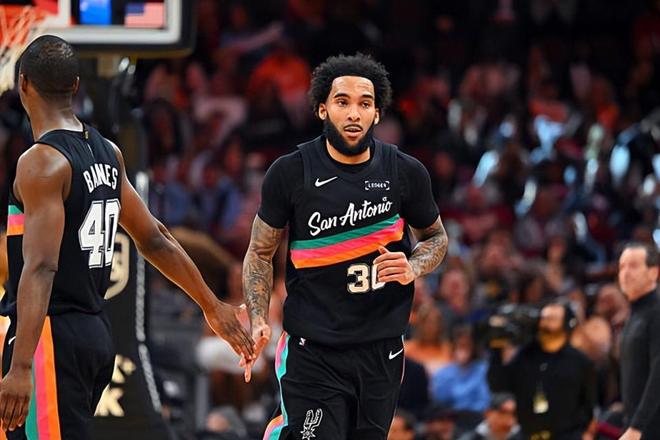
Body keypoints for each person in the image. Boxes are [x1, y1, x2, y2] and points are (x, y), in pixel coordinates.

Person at [0, 35, 255, 439]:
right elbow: (155, 239)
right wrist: (211, 306)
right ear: (75, 86)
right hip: (93, 333)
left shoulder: (41, 161)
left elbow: (43, 266)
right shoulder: (108, 153)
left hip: (50, 337)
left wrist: (20, 365)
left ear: (24, 84)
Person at [242, 53, 448, 439]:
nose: (354, 113)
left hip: (382, 350)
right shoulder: (291, 171)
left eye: (364, 104)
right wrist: (258, 318)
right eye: (342, 102)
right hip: (313, 350)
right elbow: (260, 252)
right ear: (322, 109)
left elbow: (436, 237)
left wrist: (414, 266)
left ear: (377, 114)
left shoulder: (405, 172)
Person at [488, 302, 597, 439]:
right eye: (543, 318)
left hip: (567, 436)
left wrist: (585, 433)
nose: (545, 323)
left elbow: (590, 405)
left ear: (566, 325)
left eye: (552, 319)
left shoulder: (580, 362)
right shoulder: (526, 355)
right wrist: (497, 348)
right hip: (530, 435)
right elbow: (498, 385)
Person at [618, 242, 660, 440]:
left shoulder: (657, 312)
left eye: (633, 266)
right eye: (622, 267)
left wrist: (637, 427)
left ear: (653, 272)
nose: (625, 273)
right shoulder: (634, 314)